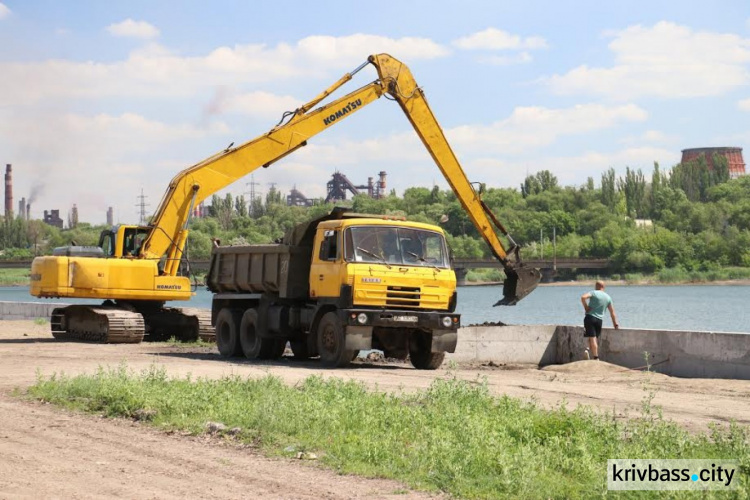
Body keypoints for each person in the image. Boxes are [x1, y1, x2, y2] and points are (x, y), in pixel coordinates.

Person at [580, 280, 619, 360]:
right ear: (603, 287)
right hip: (599, 320)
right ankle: (587, 350)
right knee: (593, 337)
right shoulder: (608, 297)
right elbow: (612, 312)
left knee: (592, 337)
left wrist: (586, 307)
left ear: (596, 286)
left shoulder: (593, 292)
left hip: (590, 318)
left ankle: (595, 357)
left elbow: (583, 297)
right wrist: (615, 324)